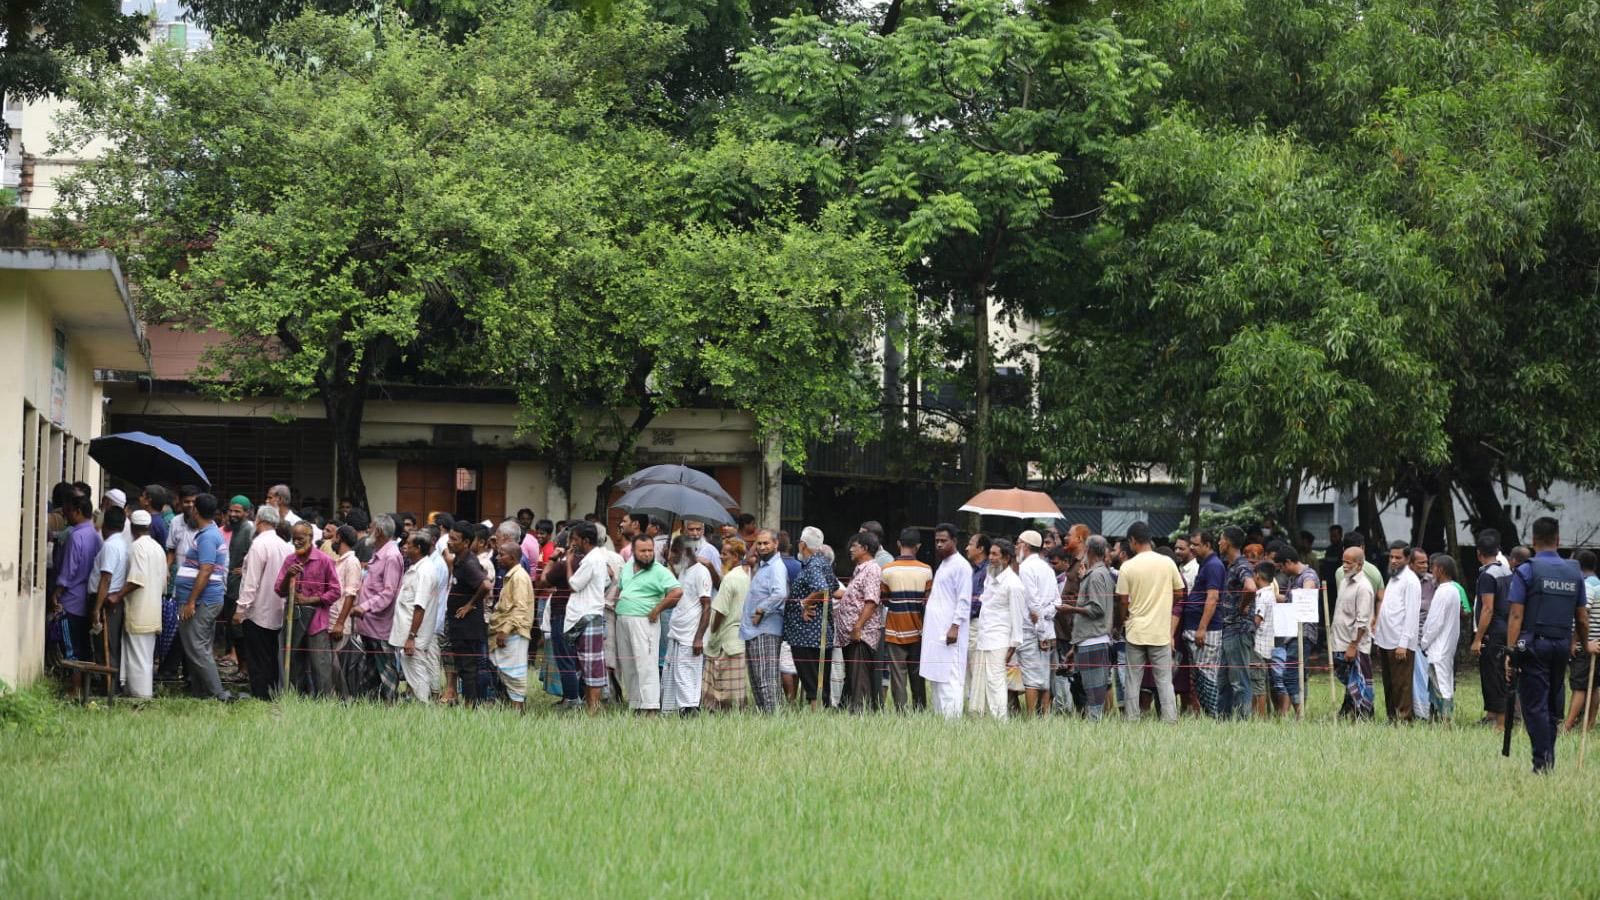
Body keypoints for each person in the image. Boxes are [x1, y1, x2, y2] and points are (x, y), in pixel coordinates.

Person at [1506, 517, 1591, 772]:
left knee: (1535, 706)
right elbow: (1582, 617)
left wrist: (1510, 651)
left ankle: (1542, 763)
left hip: (1534, 647)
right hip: (1562, 646)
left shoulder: (1527, 570)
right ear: (1558, 540)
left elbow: (1517, 614)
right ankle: (1547, 757)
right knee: (1553, 705)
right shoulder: (1573, 572)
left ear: (1532, 542)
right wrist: (1586, 645)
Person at [1115, 522, 1184, 722]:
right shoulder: (1167, 563)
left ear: (1133, 541)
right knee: (1164, 680)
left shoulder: (1127, 567)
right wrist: (1165, 604)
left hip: (1135, 631)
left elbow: (1122, 600)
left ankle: (1132, 719)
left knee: (1132, 680)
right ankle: (1170, 719)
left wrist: (1125, 618)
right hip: (1160, 632)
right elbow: (1179, 592)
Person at [172, 493, 230, 701]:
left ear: (196, 510)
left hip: (202, 600)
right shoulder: (210, 533)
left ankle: (217, 693)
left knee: (196, 646)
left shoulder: (207, 537)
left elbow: (205, 570)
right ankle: (201, 693)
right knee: (199, 646)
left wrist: (191, 601)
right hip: (205, 599)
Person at [615, 535, 682, 714]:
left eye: (650, 550)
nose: (647, 554)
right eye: (642, 551)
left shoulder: (659, 570)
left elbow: (677, 591)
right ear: (634, 552)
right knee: (628, 663)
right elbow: (621, 588)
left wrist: (657, 609)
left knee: (646, 664)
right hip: (623, 619)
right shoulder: (628, 566)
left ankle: (651, 707)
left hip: (644, 621)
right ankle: (636, 704)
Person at [274, 521, 339, 697]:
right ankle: (297, 702)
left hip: (316, 623)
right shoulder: (290, 560)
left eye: (300, 539)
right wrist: (288, 575)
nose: (296, 542)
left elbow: (335, 591)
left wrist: (311, 600)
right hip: (294, 621)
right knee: (294, 665)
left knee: (320, 667)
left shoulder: (324, 560)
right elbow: (279, 590)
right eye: (294, 539)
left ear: (310, 537)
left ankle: (324, 704)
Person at [233, 506, 291, 699]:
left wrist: (241, 609)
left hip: (258, 611)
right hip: (278, 609)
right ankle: (271, 692)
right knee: (271, 656)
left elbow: (251, 581)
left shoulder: (259, 544)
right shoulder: (284, 545)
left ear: (259, 521)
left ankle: (260, 695)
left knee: (257, 658)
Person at [1059, 535, 1114, 719]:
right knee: (1091, 693)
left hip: (1094, 642)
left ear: (1088, 551)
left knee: (1094, 697)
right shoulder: (1096, 573)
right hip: (1088, 640)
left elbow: (1097, 608)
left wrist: (1071, 608)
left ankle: (1095, 731)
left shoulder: (1097, 575)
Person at [967, 538, 1023, 718]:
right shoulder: (990, 578)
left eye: (994, 554)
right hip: (984, 637)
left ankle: (1000, 722)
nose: (990, 557)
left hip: (1000, 640)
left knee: (995, 681)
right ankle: (979, 717)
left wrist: (1013, 646)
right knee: (979, 680)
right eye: (990, 553)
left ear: (1006, 558)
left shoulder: (1014, 584)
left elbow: (1017, 618)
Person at [784, 526, 839, 709]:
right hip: (819, 632)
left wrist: (804, 603)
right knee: (819, 681)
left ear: (802, 545)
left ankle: (816, 718)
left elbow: (822, 588)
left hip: (807, 634)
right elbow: (832, 587)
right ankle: (821, 713)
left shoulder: (813, 565)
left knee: (812, 682)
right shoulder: (822, 562)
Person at [921, 524, 972, 719]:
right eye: (937, 541)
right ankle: (941, 718)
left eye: (944, 541)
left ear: (954, 541)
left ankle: (953, 721)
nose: (939, 545)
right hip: (937, 631)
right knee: (937, 676)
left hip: (950, 632)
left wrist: (955, 626)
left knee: (950, 677)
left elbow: (964, 599)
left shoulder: (961, 566)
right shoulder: (944, 564)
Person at [659, 535, 713, 716]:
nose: (671, 556)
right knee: (672, 675)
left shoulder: (701, 572)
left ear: (686, 552)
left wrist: (699, 638)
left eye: (675, 551)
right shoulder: (683, 571)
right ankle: (674, 711)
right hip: (677, 632)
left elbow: (707, 606)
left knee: (686, 676)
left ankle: (690, 712)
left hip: (690, 636)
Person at [51, 494, 102, 682]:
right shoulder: (96, 536)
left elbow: (68, 571)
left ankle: (75, 689)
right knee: (84, 647)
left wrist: (57, 592)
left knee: (71, 649)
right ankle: (85, 687)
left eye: (68, 511)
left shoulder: (76, 536)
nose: (65, 515)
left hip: (71, 600)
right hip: (87, 600)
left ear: (78, 511)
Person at [117, 510, 167, 700]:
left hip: (139, 608)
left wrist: (117, 596)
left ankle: (140, 696)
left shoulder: (136, 547)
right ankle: (138, 692)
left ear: (132, 527)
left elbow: (136, 579)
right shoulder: (157, 548)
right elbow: (163, 583)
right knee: (144, 656)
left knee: (138, 656)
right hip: (153, 607)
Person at [834, 532, 886, 712]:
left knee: (859, 676)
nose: (850, 549)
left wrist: (857, 627)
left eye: (854, 546)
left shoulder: (872, 570)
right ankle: (849, 708)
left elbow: (871, 602)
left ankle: (859, 712)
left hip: (861, 634)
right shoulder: (859, 570)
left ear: (864, 549)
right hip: (851, 635)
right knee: (853, 675)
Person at [882, 527, 933, 712]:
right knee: (918, 675)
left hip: (894, 630)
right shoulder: (926, 570)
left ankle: (901, 711)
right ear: (918, 546)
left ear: (898, 544)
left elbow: (884, 598)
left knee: (898, 676)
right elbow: (928, 600)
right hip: (919, 630)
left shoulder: (887, 570)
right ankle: (920, 709)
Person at [561, 521, 610, 712]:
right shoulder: (596, 557)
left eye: (575, 539)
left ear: (585, 540)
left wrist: (568, 560)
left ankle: (593, 709)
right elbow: (606, 581)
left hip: (587, 615)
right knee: (588, 662)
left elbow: (573, 584)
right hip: (589, 614)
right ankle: (591, 706)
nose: (573, 543)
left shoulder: (591, 560)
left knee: (591, 664)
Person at [1178, 528, 1227, 716]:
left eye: (1196, 545)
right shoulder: (1205, 564)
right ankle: (1209, 714)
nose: (1192, 548)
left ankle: (1214, 716)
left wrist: (1202, 628)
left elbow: (1212, 598)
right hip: (1196, 628)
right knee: (1198, 676)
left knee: (1207, 675)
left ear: (1207, 545)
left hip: (1206, 631)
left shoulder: (1213, 565)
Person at [390, 532, 443, 703]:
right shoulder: (419, 567)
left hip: (415, 635)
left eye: (409, 544)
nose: (405, 547)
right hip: (409, 633)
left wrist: (411, 637)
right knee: (414, 673)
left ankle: (424, 710)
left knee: (418, 674)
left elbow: (420, 606)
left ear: (418, 548)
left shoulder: (425, 571)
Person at [1373, 541, 1422, 723]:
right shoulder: (1393, 577)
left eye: (1398, 558)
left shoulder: (1410, 581)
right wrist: (1379, 637)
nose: (1393, 561)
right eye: (1391, 557)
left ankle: (1404, 719)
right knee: (1389, 683)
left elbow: (1411, 615)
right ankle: (1392, 717)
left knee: (1402, 684)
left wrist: (1403, 644)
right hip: (1386, 639)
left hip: (1401, 643)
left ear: (1407, 559)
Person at [441, 523, 489, 707]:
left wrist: (469, 605)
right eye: (449, 537)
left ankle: (471, 704)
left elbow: (485, 585)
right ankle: (468, 700)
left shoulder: (468, 563)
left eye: (454, 539)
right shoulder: (459, 560)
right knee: (461, 664)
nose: (449, 542)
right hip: (458, 624)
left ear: (466, 542)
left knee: (468, 666)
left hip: (468, 625)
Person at [1470, 531, 1513, 730]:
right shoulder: (1506, 571)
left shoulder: (1487, 575)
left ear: (1479, 553)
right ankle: (1493, 715)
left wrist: (1478, 637)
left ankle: (1501, 724)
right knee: (1496, 673)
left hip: (1493, 632)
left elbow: (1488, 608)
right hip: (1506, 628)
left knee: (1494, 675)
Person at [741, 530, 788, 713]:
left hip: (766, 629)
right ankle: (764, 715)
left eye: (766, 543)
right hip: (754, 629)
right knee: (756, 677)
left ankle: (774, 716)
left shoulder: (776, 566)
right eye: (759, 544)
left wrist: (761, 609)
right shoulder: (763, 565)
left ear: (776, 544)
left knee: (766, 678)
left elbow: (780, 593)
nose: (761, 547)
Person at [1013, 529, 1057, 717]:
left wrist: (1041, 632)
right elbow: (1057, 603)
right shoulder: (1047, 568)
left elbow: (1033, 604)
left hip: (1032, 630)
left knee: (1032, 678)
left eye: (1018, 543)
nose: (1016, 547)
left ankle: (1031, 718)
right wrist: (1046, 624)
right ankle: (1044, 717)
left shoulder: (1025, 569)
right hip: (1046, 628)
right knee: (1044, 677)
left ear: (1025, 546)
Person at [705, 538, 750, 711]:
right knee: (735, 690)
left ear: (736, 556)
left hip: (726, 640)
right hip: (737, 639)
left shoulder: (730, 579)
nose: (721, 557)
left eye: (725, 554)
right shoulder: (743, 576)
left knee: (722, 690)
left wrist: (713, 630)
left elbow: (720, 611)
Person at [1331, 546, 1376, 718]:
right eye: (1343, 562)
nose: (1344, 566)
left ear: (1360, 564)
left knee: (1359, 680)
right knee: (1348, 680)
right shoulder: (1344, 582)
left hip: (1354, 644)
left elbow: (1362, 621)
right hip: (1339, 641)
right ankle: (1349, 711)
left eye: (1349, 563)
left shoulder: (1364, 587)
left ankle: (1364, 714)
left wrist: (1353, 645)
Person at [489, 541, 534, 711]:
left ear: (513, 557)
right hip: (505, 631)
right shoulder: (511, 575)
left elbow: (520, 608)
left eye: (501, 554)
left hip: (513, 632)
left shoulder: (519, 577)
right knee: (507, 671)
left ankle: (518, 710)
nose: (498, 557)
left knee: (515, 674)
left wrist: (505, 630)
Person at [1275, 547, 1318, 718]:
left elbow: (1306, 593)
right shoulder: (1294, 578)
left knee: (1290, 674)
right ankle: (1300, 713)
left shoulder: (1308, 576)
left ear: (1288, 562)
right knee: (1299, 674)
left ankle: (1300, 714)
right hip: (1292, 631)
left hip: (1303, 632)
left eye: (1281, 567)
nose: (1282, 571)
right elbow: (1292, 600)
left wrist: (1290, 597)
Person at [1561, 550, 1600, 733]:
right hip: (1596, 642)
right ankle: (1589, 724)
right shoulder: (1597, 583)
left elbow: (1582, 615)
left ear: (1578, 566)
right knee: (1594, 685)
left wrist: (1574, 641)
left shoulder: (1587, 586)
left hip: (1586, 643)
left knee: (1580, 686)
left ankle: (1567, 726)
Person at [89, 506, 130, 677]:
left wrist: (96, 609)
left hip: (106, 602)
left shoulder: (111, 546)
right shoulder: (120, 543)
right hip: (110, 600)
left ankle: (109, 686)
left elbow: (106, 578)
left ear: (105, 524)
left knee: (106, 645)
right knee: (107, 644)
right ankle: (108, 684)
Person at [1423, 553, 1462, 723]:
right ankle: (1437, 719)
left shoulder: (1443, 592)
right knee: (1443, 681)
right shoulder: (1454, 589)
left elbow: (1435, 622)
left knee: (1440, 685)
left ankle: (1445, 721)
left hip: (1438, 646)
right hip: (1447, 645)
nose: (1431, 572)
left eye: (1433, 568)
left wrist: (1424, 642)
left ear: (1441, 570)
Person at [326, 525, 364, 699]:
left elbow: (350, 594)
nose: (332, 541)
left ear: (339, 537)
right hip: (332, 620)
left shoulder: (352, 562)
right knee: (333, 665)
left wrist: (340, 623)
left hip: (341, 624)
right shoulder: (340, 560)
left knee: (339, 666)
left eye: (334, 537)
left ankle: (347, 701)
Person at [219, 497, 254, 677]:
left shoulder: (249, 530)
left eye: (237, 511)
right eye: (231, 511)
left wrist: (246, 570)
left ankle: (245, 670)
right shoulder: (234, 529)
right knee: (233, 631)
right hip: (231, 588)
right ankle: (241, 668)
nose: (232, 514)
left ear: (246, 512)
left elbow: (255, 557)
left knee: (240, 632)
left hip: (242, 590)